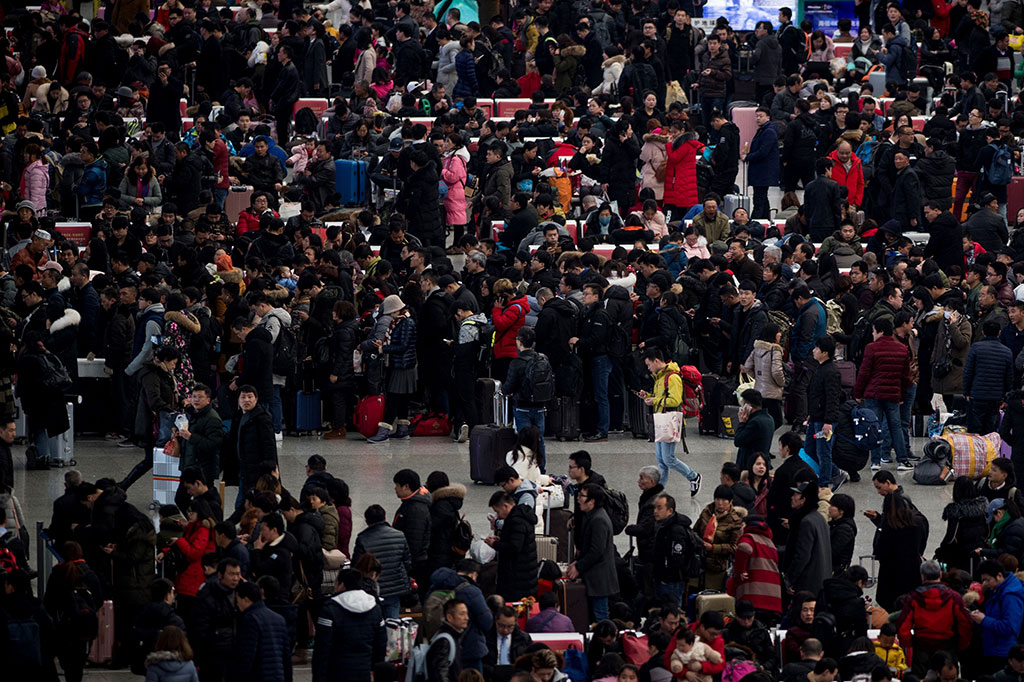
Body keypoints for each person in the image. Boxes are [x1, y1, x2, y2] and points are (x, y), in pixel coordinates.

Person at [639, 346, 701, 495]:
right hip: (661, 422)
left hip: (671, 422)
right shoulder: (660, 377)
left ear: (657, 361)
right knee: (662, 459)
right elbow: (661, 397)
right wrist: (648, 395)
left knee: (668, 459)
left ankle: (693, 476)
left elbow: (675, 400)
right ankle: (658, 489)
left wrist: (655, 400)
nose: (648, 368)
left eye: (649, 364)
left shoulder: (672, 377)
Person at [894, 560, 973, 676]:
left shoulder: (914, 598)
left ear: (922, 576)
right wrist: (961, 644)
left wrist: (911, 642)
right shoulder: (954, 597)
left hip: (922, 647)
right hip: (948, 647)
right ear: (940, 574)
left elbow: (902, 626)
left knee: (921, 678)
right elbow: (965, 623)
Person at [854, 318, 913, 470]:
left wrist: (858, 393)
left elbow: (864, 373)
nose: (873, 334)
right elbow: (905, 376)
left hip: (874, 394)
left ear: (880, 332)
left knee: (874, 426)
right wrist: (902, 395)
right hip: (893, 395)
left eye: (874, 331)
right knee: (896, 426)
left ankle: (875, 461)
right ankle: (902, 459)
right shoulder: (902, 349)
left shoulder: (871, 348)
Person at [312, 568, 386, 682]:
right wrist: (374, 670)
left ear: (342, 585)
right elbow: (380, 644)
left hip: (336, 672)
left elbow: (322, 648)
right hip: (364, 671)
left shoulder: (330, 610)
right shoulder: (375, 609)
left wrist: (318, 677)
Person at [566, 483, 619, 622]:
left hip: (599, 580)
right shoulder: (590, 516)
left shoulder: (599, 520)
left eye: (582, 496)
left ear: (592, 501)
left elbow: (596, 551)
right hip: (594, 578)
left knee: (601, 617)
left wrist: (578, 566)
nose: (578, 499)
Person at [352, 504, 412, 619]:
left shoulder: (363, 539)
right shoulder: (399, 535)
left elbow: (356, 566)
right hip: (395, 588)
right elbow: (407, 563)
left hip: (371, 590)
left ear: (366, 521)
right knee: (392, 626)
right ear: (384, 517)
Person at [806, 336, 847, 491]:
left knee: (823, 452)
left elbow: (832, 398)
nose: (814, 351)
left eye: (817, 348)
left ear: (825, 352)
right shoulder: (820, 368)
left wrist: (828, 421)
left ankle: (823, 485)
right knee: (810, 448)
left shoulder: (831, 372)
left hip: (824, 421)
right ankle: (836, 472)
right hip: (816, 418)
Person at [191, 557, 242, 682]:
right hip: (213, 654)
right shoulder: (208, 594)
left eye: (238, 574)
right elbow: (199, 629)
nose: (235, 578)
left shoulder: (242, 593)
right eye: (231, 574)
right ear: (220, 575)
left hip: (235, 652)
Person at [972, 559, 1024, 674]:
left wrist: (983, 620)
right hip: (994, 648)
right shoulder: (997, 590)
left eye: (987, 580)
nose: (985, 583)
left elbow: (1009, 626)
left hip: (1002, 652)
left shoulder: (1010, 596)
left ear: (999, 576)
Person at [485, 490, 538, 601]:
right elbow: (518, 541)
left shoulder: (516, 520)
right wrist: (501, 540)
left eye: (498, 512)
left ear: (505, 506)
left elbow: (514, 548)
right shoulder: (521, 516)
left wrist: (495, 544)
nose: (498, 516)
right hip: (524, 573)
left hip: (517, 577)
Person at [234, 580, 291, 682]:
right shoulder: (279, 619)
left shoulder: (250, 619)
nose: (237, 604)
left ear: (246, 600)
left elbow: (247, 656)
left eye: (237, 600)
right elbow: (286, 657)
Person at [964, 320, 1015, 435]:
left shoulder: (976, 348)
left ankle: (976, 452)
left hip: (977, 394)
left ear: (983, 332)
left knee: (975, 430)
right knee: (990, 429)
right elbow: (1009, 378)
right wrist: (1006, 398)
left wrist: (966, 391)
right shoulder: (1007, 352)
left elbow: (968, 372)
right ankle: (989, 452)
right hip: (996, 397)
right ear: (999, 333)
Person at [784, 480, 832, 596]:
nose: (792, 497)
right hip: (821, 580)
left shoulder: (806, 522)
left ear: (803, 500)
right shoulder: (819, 518)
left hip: (807, 584)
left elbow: (802, 555)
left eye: (796, 495)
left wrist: (789, 580)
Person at [693, 485, 745, 591]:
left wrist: (713, 548)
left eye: (724, 500)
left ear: (730, 501)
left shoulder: (735, 521)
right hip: (698, 563)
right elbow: (695, 531)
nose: (720, 503)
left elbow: (734, 546)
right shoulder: (707, 512)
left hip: (717, 567)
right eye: (718, 499)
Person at [651, 492, 695, 609]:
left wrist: (666, 578)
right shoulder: (662, 526)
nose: (655, 511)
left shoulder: (675, 530)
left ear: (670, 511)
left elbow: (677, 558)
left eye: (659, 508)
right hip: (662, 579)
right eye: (655, 508)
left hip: (672, 582)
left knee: (672, 612)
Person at [734, 389, 776, 471]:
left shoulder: (755, 422)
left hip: (749, 465)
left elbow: (738, 440)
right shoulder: (769, 418)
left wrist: (742, 423)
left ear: (748, 406)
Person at [427, 599, 469, 682]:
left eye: (467, 614)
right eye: (462, 614)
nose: (467, 618)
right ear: (449, 617)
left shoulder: (453, 636)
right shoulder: (443, 641)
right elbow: (440, 674)